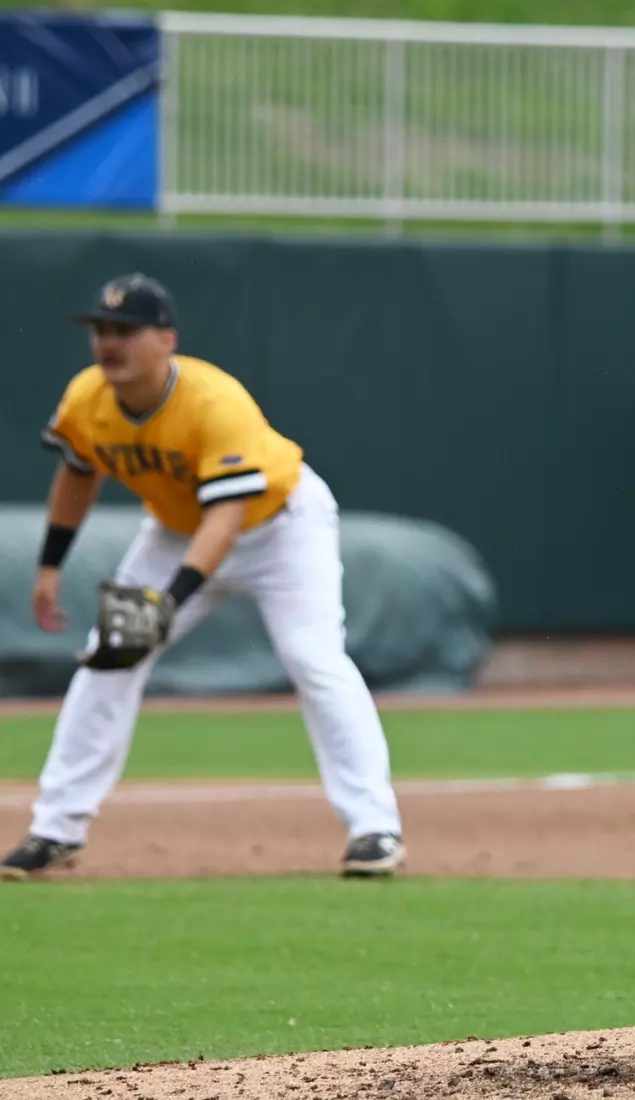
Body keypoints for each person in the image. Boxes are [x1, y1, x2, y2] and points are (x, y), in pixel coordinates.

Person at [0, 274, 405, 881]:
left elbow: (227, 516)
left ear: (166, 340)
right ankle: (56, 829)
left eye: (125, 332)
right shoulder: (87, 398)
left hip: (280, 528)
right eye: (101, 332)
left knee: (313, 658)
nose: (110, 344)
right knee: (109, 655)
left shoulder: (214, 401)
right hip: (174, 531)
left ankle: (376, 827)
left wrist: (170, 600)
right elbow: (77, 474)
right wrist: (51, 565)